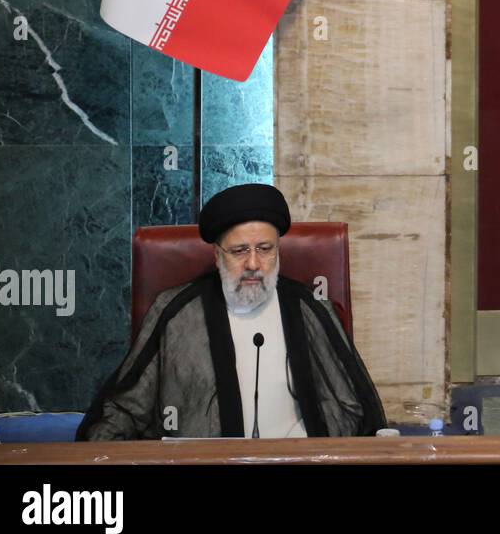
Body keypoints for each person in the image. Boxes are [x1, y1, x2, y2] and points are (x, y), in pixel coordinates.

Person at [77, 183, 385, 439]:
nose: (253, 263)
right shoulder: (177, 313)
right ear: (216, 255)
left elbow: (357, 407)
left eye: (265, 249)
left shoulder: (311, 310)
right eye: (239, 251)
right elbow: (126, 407)